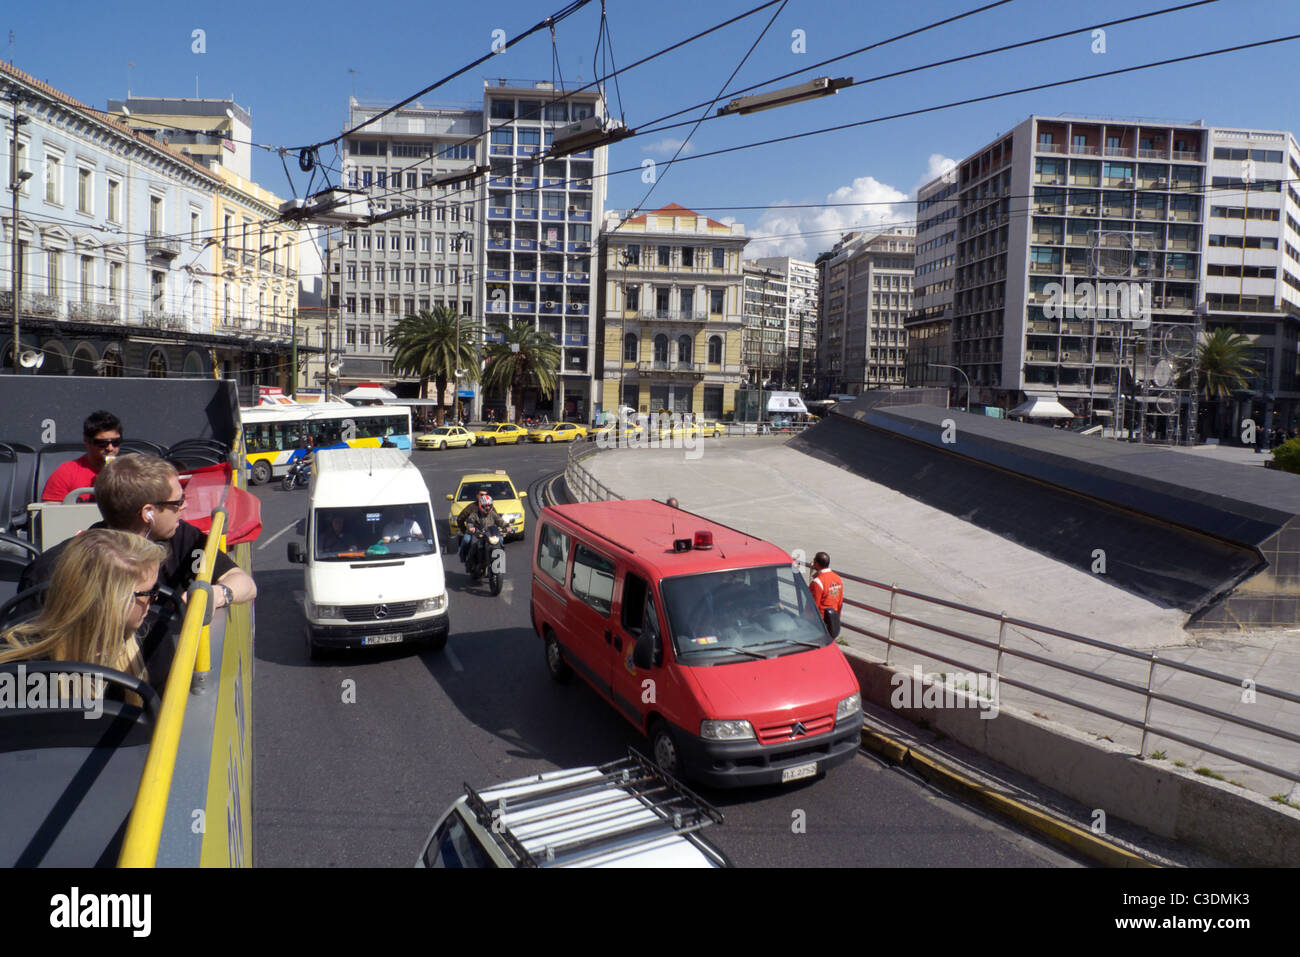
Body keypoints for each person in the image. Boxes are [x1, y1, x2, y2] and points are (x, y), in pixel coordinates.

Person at [19, 454, 256, 613]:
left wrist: (216, 594)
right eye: (178, 501)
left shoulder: (182, 538)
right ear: (149, 513)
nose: (184, 506)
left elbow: (244, 582)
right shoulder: (51, 572)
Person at [0, 529, 167, 704]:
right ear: (108, 601)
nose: (155, 599)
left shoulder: (153, 642)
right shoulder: (19, 670)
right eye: (149, 592)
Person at [40, 410, 123, 503]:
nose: (110, 448)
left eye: (116, 442)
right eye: (102, 443)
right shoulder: (66, 473)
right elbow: (50, 512)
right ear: (87, 441)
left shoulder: (131, 472)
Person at [457, 491, 507, 562]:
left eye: (486, 494)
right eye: (481, 494)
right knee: (466, 540)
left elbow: (499, 520)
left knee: (500, 540)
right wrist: (466, 529)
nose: (487, 507)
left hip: (490, 533)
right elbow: (463, 519)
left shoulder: (491, 511)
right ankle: (463, 556)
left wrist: (506, 526)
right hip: (476, 532)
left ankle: (498, 562)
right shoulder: (472, 507)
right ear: (477, 495)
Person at [809, 552, 844, 625]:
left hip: (821, 622)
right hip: (834, 619)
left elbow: (813, 606)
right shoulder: (838, 578)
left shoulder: (817, 582)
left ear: (817, 564)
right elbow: (840, 602)